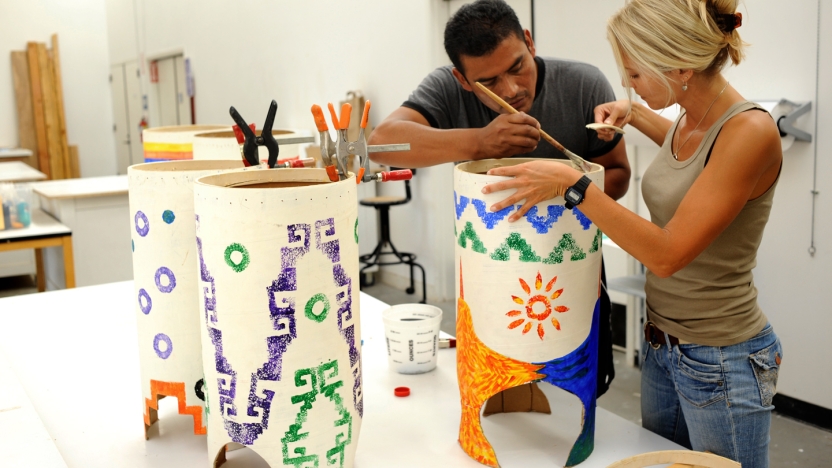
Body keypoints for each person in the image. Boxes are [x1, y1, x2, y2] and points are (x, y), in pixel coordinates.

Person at [481, 0, 783, 466]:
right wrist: (634, 114)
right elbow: (691, 157)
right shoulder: (692, 118)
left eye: (634, 76)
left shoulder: (750, 131)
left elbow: (665, 254)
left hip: (721, 358)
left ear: (679, 65)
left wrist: (572, 183)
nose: (630, 86)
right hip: (663, 346)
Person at [369, 0, 630, 397]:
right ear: (461, 78)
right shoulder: (445, 86)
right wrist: (479, 141)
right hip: (490, 278)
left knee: (576, 394)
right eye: (488, 83)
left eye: (517, 67)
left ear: (529, 42)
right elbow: (382, 146)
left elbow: (618, 174)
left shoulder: (582, 84)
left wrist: (562, 191)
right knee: (493, 392)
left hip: (572, 275)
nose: (511, 90)